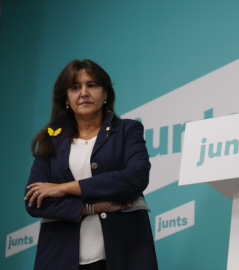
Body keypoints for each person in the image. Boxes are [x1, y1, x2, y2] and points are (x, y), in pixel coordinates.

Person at [24, 59, 158, 270]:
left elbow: (136, 177)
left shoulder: (128, 130)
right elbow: (34, 201)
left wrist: (64, 188)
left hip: (123, 253)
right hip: (61, 257)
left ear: (105, 94)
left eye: (92, 85)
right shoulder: (50, 140)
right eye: (75, 87)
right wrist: (91, 208)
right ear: (66, 99)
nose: (84, 93)